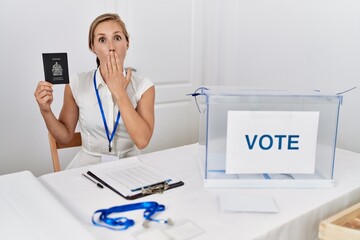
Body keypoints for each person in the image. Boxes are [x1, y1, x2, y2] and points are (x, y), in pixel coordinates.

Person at [34, 13, 155, 169]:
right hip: (87, 168)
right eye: (102, 40)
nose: (111, 47)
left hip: (130, 166)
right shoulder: (76, 83)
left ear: (127, 43)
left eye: (117, 38)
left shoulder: (144, 86)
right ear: (93, 47)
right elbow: (64, 137)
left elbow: (142, 141)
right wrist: (45, 111)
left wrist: (119, 91)